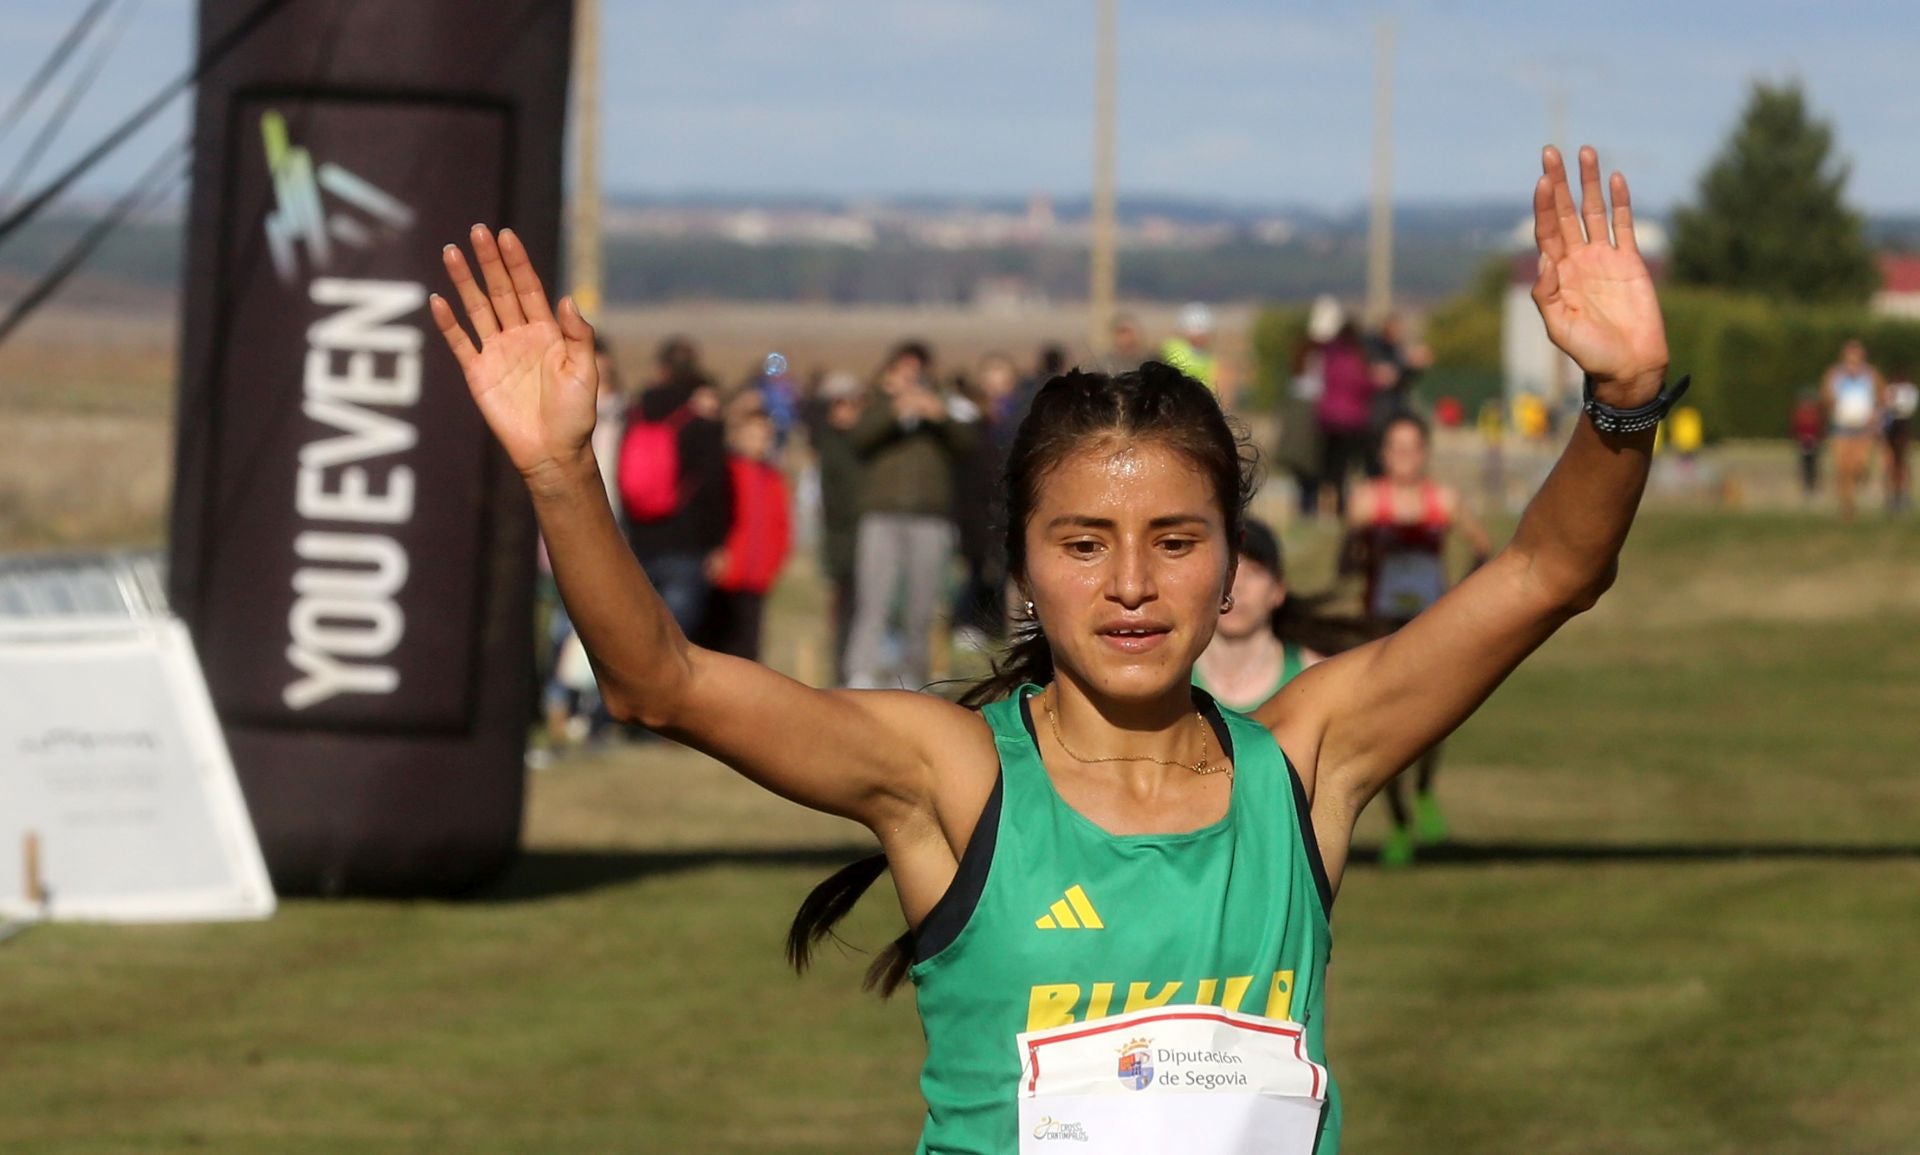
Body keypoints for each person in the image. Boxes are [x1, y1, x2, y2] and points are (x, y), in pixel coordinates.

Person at [430, 144, 1671, 1155]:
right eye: (1083, 544)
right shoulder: (951, 778)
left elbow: (1551, 571)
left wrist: (1622, 401)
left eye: (1176, 539)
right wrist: (556, 468)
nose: (1131, 584)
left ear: (1232, 562)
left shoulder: (1307, 761)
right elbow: (662, 682)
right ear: (1020, 566)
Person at [1344, 413, 1494, 868]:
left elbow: (1482, 546)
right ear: (1384, 454)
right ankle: (1398, 822)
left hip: (1430, 625)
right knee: (1387, 729)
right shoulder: (1369, 500)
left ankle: (1425, 790)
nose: (1404, 457)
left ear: (1425, 453)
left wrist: (1459, 596)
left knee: (1432, 721)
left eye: (1413, 448)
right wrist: (1363, 549)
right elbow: (1347, 556)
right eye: (1396, 448)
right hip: (1382, 625)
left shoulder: (1443, 500)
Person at [843, 341, 978, 690]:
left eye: (917, 369)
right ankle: (862, 672)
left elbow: (968, 442)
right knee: (874, 597)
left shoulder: (945, 403)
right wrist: (893, 409)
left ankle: (915, 676)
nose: (910, 377)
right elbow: (857, 438)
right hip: (882, 513)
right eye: (903, 368)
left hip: (929, 515)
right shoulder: (875, 401)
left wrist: (940, 417)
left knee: (923, 602)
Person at [619, 336, 730, 634]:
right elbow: (713, 487)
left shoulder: (635, 413)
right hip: (686, 541)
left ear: (660, 368)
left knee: (636, 634)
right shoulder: (700, 421)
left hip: (639, 537)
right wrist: (716, 542)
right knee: (675, 644)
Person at [1192, 519, 1329, 713]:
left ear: (1278, 590)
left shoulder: (1316, 678)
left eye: (1253, 573)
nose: (1237, 586)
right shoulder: (1169, 676)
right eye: (1227, 572)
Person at [701, 393, 791, 663]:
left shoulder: (774, 479)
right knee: (713, 646)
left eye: (764, 436)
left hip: (756, 579)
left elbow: (782, 526)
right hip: (725, 576)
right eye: (753, 434)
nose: (759, 442)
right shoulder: (726, 470)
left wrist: (773, 564)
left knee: (748, 651)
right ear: (738, 436)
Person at [951, 352, 1022, 650]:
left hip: (1010, 500)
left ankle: (1018, 629)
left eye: (1001, 380)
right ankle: (971, 623)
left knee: (1015, 568)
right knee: (977, 569)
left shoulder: (1019, 414)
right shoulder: (968, 417)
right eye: (990, 380)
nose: (995, 387)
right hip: (975, 506)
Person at [806, 370, 866, 682]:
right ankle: (843, 671)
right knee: (844, 611)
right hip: (842, 540)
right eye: (840, 406)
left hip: (864, 536)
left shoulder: (864, 444)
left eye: (852, 405)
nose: (846, 412)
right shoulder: (830, 444)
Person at [1313, 320, 1376, 516]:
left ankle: (1325, 505)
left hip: (1328, 419)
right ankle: (1341, 506)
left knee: (1331, 468)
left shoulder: (1329, 357)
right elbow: (1364, 386)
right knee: (1347, 468)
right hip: (1352, 421)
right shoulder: (1357, 359)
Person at [1820, 339, 1887, 521]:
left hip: (1863, 428)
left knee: (1859, 465)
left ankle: (1857, 487)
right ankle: (1848, 507)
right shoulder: (1835, 375)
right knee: (1843, 468)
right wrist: (1832, 400)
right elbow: (1826, 397)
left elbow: (1882, 398)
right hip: (1841, 427)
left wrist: (1876, 417)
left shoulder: (1871, 375)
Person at [1363, 314, 1432, 477]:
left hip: (1392, 411)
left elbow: (1400, 381)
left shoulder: (1395, 349)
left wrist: (1415, 368)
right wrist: (1407, 364)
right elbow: (1385, 376)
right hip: (1376, 416)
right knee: (1375, 462)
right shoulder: (1374, 348)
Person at [1884, 363, 1916, 513]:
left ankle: (1903, 494)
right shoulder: (1890, 389)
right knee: (1892, 462)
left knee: (1902, 462)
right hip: (1892, 426)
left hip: (1902, 425)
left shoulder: (1909, 390)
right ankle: (1893, 495)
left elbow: (1906, 407)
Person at [1790, 389, 1825, 501]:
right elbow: (1796, 428)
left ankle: (1813, 487)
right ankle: (1806, 488)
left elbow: (1819, 428)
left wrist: (1818, 440)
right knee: (1805, 466)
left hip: (1813, 442)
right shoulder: (1800, 412)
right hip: (1803, 442)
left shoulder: (1815, 413)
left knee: (1813, 466)